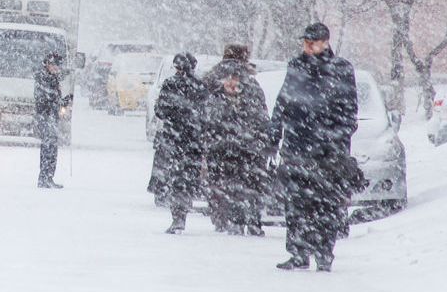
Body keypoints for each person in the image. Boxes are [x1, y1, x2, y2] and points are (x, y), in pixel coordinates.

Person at [267, 22, 360, 272]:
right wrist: (274, 134)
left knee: (325, 204)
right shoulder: (296, 67)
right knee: (296, 203)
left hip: (327, 154)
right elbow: (283, 102)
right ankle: (298, 252)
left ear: (326, 42)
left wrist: (333, 140)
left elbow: (349, 112)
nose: (308, 45)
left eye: (314, 41)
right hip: (297, 147)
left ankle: (324, 253)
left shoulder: (341, 69)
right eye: (306, 41)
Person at [201, 65, 270, 236]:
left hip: (249, 151)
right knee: (232, 188)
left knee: (253, 186)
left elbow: (262, 122)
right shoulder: (215, 99)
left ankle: (254, 221)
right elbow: (208, 124)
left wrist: (257, 141)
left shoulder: (251, 98)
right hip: (224, 151)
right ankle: (236, 220)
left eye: (235, 79)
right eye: (228, 79)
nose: (231, 83)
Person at [148, 52, 207, 233]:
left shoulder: (170, 84)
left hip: (174, 138)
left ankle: (178, 216)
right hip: (193, 139)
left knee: (176, 176)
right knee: (188, 176)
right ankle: (184, 205)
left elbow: (160, 111)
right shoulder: (200, 86)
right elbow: (206, 113)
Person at [34, 52, 70, 189]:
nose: (56, 68)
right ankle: (44, 177)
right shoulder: (43, 78)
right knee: (48, 147)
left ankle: (48, 177)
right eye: (54, 65)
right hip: (46, 117)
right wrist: (58, 102)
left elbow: (56, 100)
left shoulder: (53, 79)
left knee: (52, 147)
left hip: (52, 117)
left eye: (58, 66)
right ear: (48, 65)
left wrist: (65, 101)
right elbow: (47, 98)